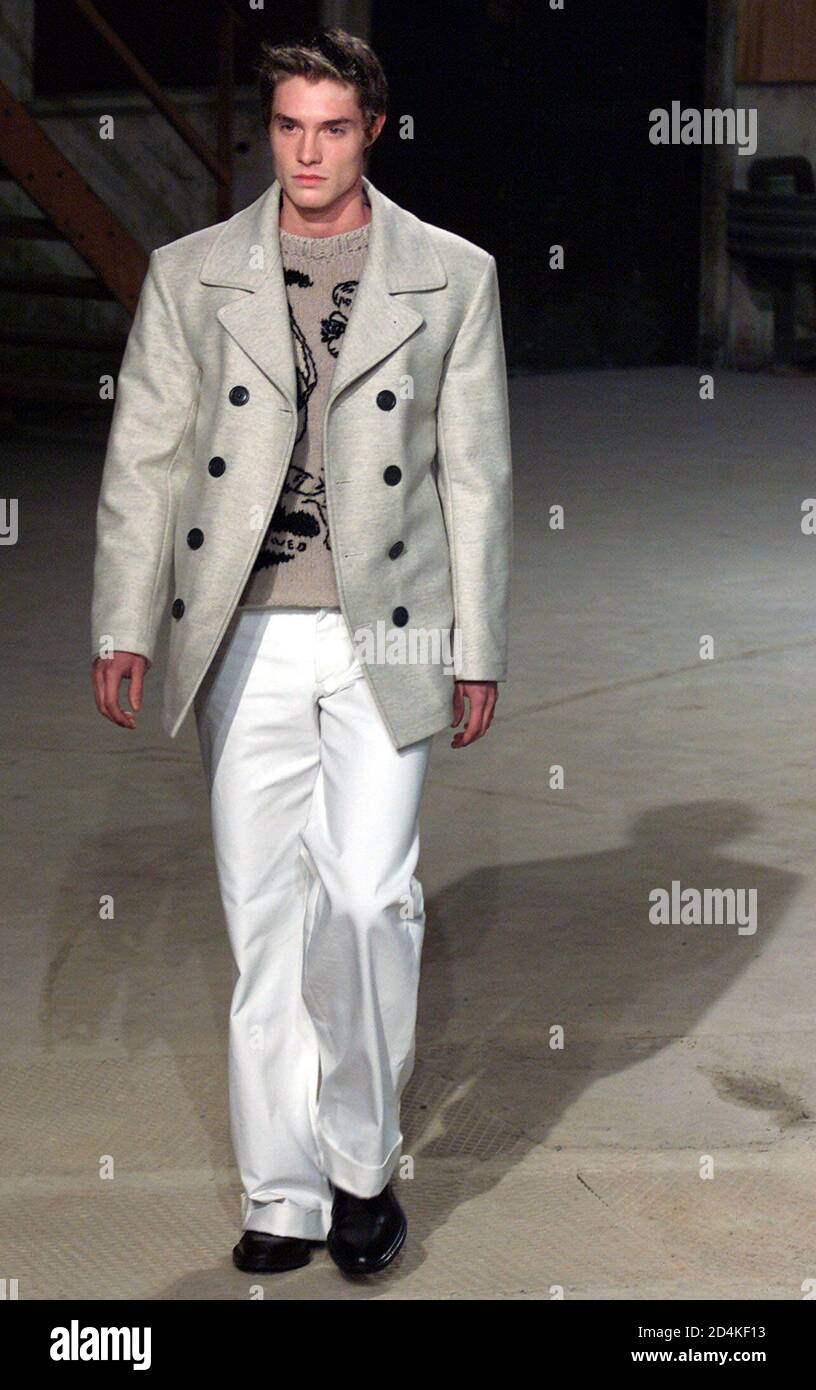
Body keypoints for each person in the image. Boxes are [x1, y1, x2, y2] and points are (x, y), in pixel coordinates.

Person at [90, 26, 512, 1277]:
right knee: (265, 916)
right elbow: (150, 460)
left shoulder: (454, 273)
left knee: (371, 898)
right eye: (288, 126)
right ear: (266, 131)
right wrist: (124, 618)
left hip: (396, 623)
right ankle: (281, 1193)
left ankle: (361, 1166)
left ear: (371, 129)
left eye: (333, 126)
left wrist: (478, 643)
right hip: (245, 628)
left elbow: (477, 479)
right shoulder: (192, 271)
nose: (309, 150)